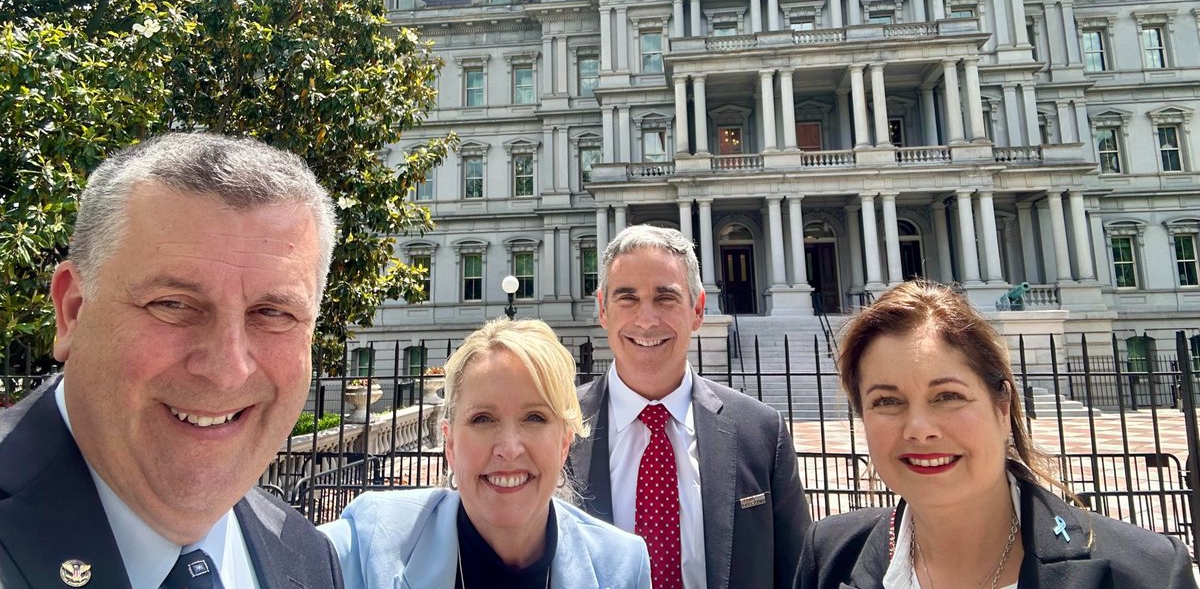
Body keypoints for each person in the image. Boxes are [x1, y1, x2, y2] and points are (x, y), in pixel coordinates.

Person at [0, 132, 344, 588]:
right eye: (174, 304)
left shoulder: (308, 556)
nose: (228, 369)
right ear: (74, 311)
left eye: (272, 313)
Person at [795, 279, 1197, 589]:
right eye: (886, 401)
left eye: (948, 396)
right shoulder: (830, 558)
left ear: (1002, 407)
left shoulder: (1147, 573)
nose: (919, 430)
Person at [322, 318, 652, 589]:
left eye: (534, 418)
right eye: (483, 419)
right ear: (449, 444)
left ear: (565, 442)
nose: (509, 449)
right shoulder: (369, 540)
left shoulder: (621, 566)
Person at [570, 224, 812, 589]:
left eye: (665, 298)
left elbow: (797, 575)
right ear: (603, 310)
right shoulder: (559, 425)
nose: (647, 319)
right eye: (627, 298)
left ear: (697, 310)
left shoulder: (761, 432)